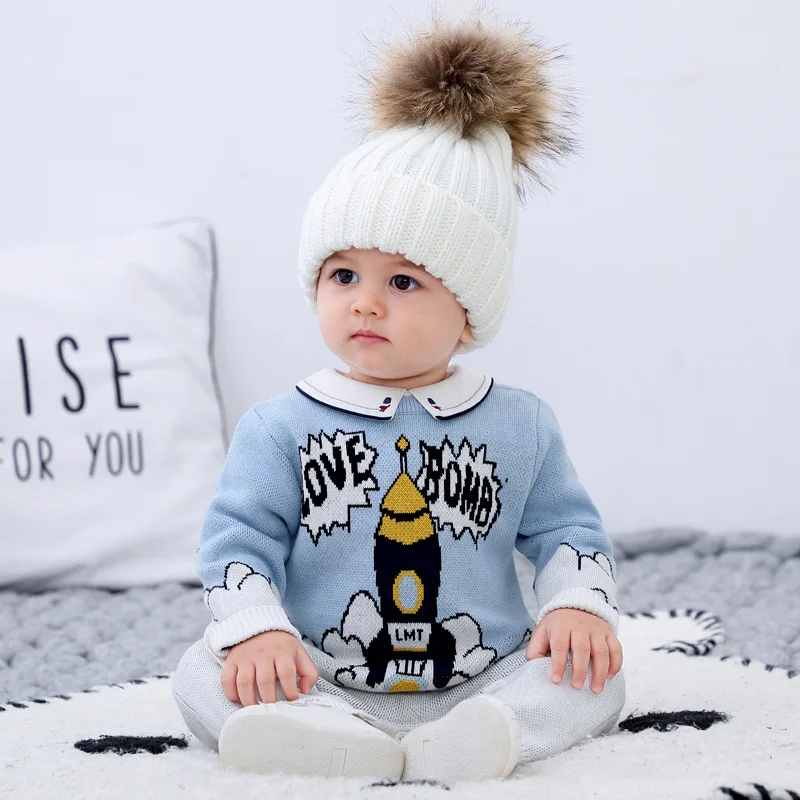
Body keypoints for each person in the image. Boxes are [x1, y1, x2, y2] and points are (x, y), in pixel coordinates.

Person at [172, 9, 625, 784]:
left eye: (404, 282)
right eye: (343, 274)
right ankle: (320, 734)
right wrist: (256, 633)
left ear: (468, 310)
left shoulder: (520, 424)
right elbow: (237, 544)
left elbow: (568, 532)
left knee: (597, 675)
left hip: (483, 675)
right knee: (198, 674)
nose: (365, 302)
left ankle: (498, 732)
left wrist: (576, 607)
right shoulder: (279, 427)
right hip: (317, 674)